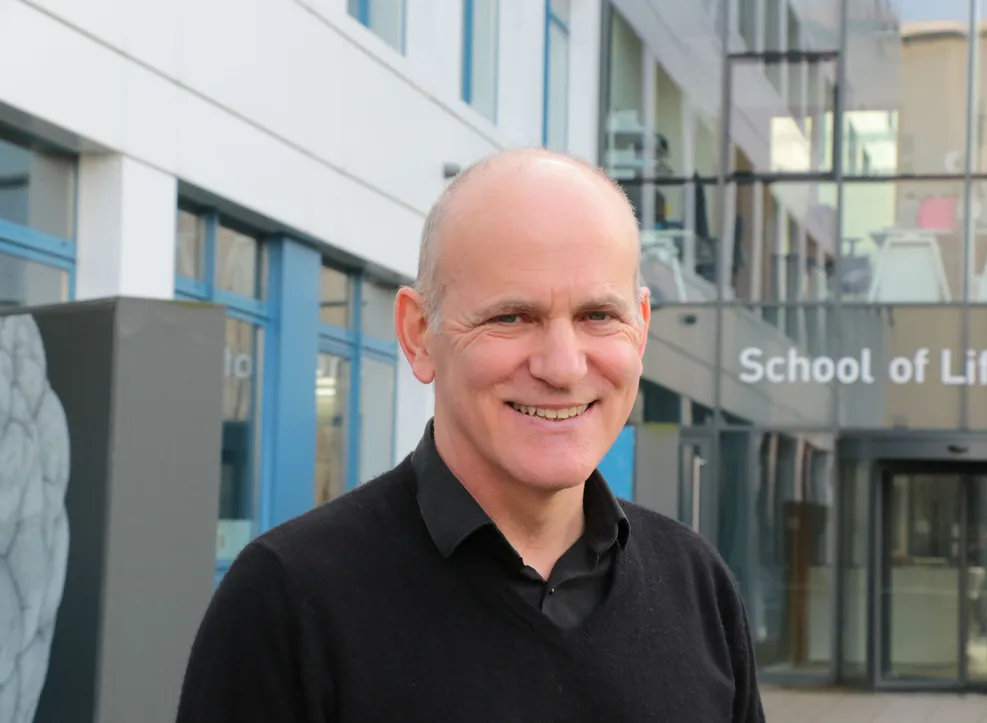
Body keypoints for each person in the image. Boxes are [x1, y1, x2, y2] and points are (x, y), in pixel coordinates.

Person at [174, 148, 765, 722]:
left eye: (598, 316)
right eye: (511, 317)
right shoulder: (288, 601)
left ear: (639, 330)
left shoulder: (698, 587)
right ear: (418, 334)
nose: (562, 367)